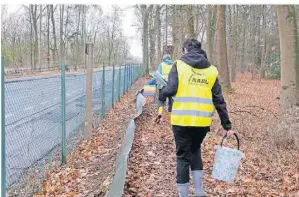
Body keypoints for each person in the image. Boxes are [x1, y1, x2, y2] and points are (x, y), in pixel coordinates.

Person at [159, 38, 234, 197]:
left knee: (182, 156)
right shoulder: (211, 70)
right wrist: (227, 125)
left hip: (181, 121)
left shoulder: (179, 65)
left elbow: (171, 89)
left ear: (185, 50)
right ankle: (199, 191)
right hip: (202, 123)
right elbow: (218, 99)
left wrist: (162, 92)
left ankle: (183, 194)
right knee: (195, 149)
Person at [146, 54, 174, 122]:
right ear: (170, 58)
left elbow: (156, 76)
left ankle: (160, 114)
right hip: (172, 87)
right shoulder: (174, 65)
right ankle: (170, 120)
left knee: (161, 101)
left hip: (162, 87)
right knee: (171, 103)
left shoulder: (161, 65)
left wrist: (150, 83)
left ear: (164, 59)